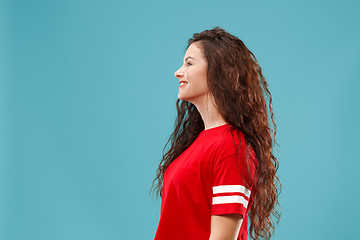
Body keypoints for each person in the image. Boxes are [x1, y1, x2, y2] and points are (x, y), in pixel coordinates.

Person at [150, 27, 281, 240]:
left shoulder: (231, 147)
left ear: (218, 72)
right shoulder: (202, 141)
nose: (178, 72)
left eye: (189, 63)